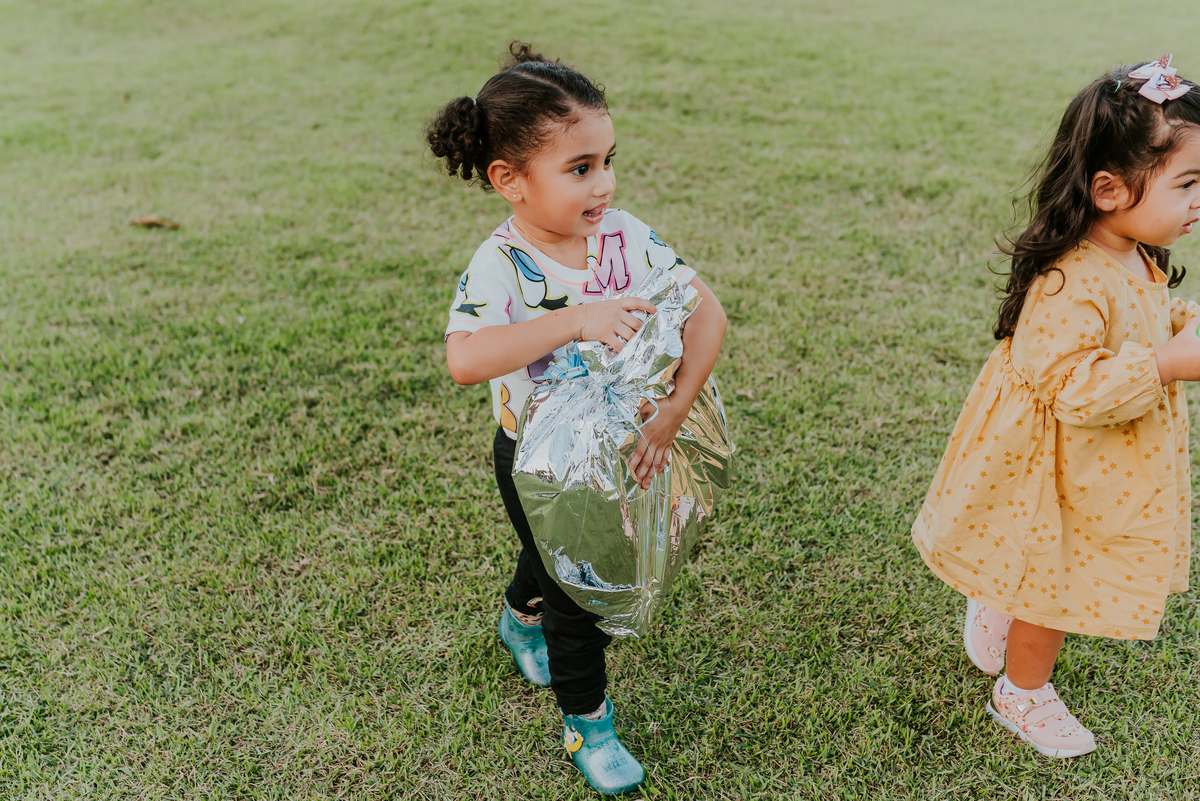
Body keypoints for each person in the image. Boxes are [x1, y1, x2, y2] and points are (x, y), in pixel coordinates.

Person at [426, 43, 727, 794]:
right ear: (509, 181)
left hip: (628, 444)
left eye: (607, 160)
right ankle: (588, 723)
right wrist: (575, 320)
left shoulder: (625, 234)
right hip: (535, 458)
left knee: (555, 558)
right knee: (577, 587)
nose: (604, 184)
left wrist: (673, 413)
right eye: (580, 168)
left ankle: (516, 617)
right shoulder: (501, 263)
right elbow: (466, 358)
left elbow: (707, 312)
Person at [913, 54, 1200, 759]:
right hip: (1050, 465)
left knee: (1038, 564)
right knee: (1056, 582)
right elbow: (1074, 384)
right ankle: (1023, 691)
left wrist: (1177, 324)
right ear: (1108, 189)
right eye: (1190, 183)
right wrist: (1167, 363)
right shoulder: (1072, 277)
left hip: (1091, 462)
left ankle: (998, 598)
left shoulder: (1137, 252)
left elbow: (1140, 317)